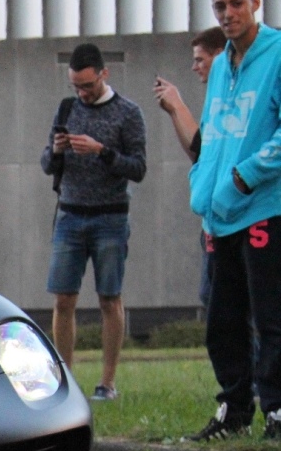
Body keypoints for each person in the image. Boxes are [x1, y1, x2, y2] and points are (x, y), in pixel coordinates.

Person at [184, 0, 281, 441]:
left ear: (256, 4)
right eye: (220, 6)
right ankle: (235, 410)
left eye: (237, 3)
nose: (228, 13)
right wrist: (204, 186)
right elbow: (215, 136)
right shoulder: (221, 65)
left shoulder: (278, 54)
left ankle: (278, 410)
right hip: (218, 216)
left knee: (271, 315)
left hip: (265, 207)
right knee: (222, 320)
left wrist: (243, 178)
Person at [40, 43, 147, 401]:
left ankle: (108, 382)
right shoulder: (67, 109)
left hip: (110, 217)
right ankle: (66, 381)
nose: (82, 94)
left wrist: (102, 152)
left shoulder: (128, 113)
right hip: (70, 214)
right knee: (64, 299)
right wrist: (56, 150)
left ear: (105, 74)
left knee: (109, 298)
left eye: (87, 86)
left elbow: (138, 168)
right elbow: (45, 164)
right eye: (76, 87)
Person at [154, 26, 227, 309]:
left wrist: (179, 105)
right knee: (210, 297)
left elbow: (202, 148)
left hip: (231, 216)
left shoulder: (230, 96)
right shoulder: (216, 96)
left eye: (200, 59)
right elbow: (198, 156)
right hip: (212, 217)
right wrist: (174, 111)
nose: (194, 66)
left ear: (219, 56)